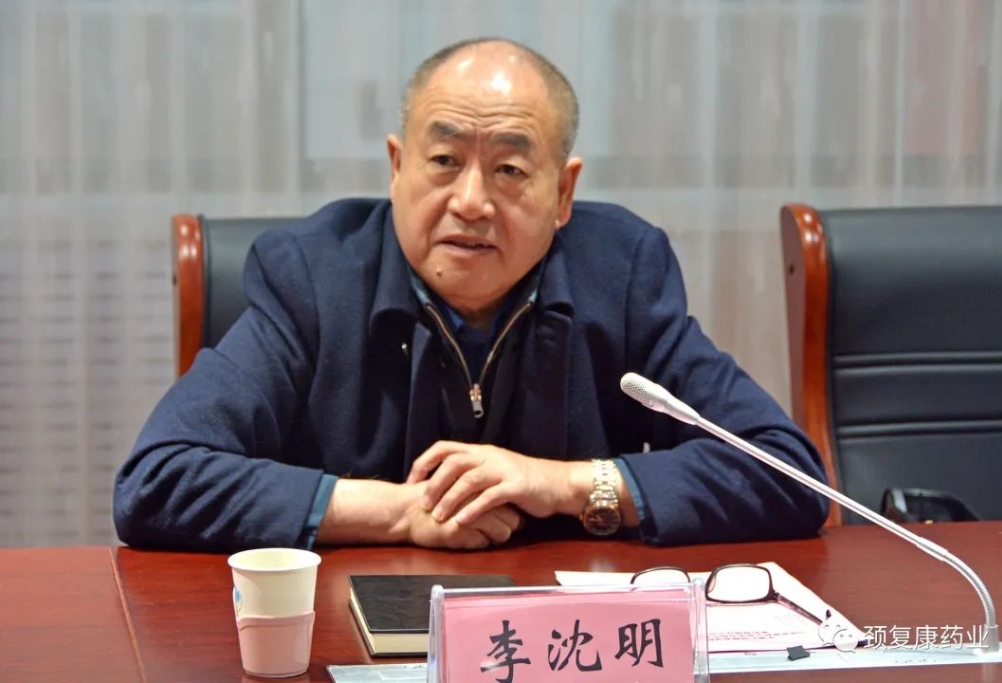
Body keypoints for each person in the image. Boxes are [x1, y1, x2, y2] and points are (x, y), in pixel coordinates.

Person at [113, 37, 829, 553]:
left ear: (564, 192)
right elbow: (157, 478)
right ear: (397, 167)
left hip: (563, 636)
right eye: (444, 160)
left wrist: (565, 484)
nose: (471, 202)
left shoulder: (622, 273)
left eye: (510, 169)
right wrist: (399, 512)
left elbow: (788, 472)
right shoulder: (311, 275)